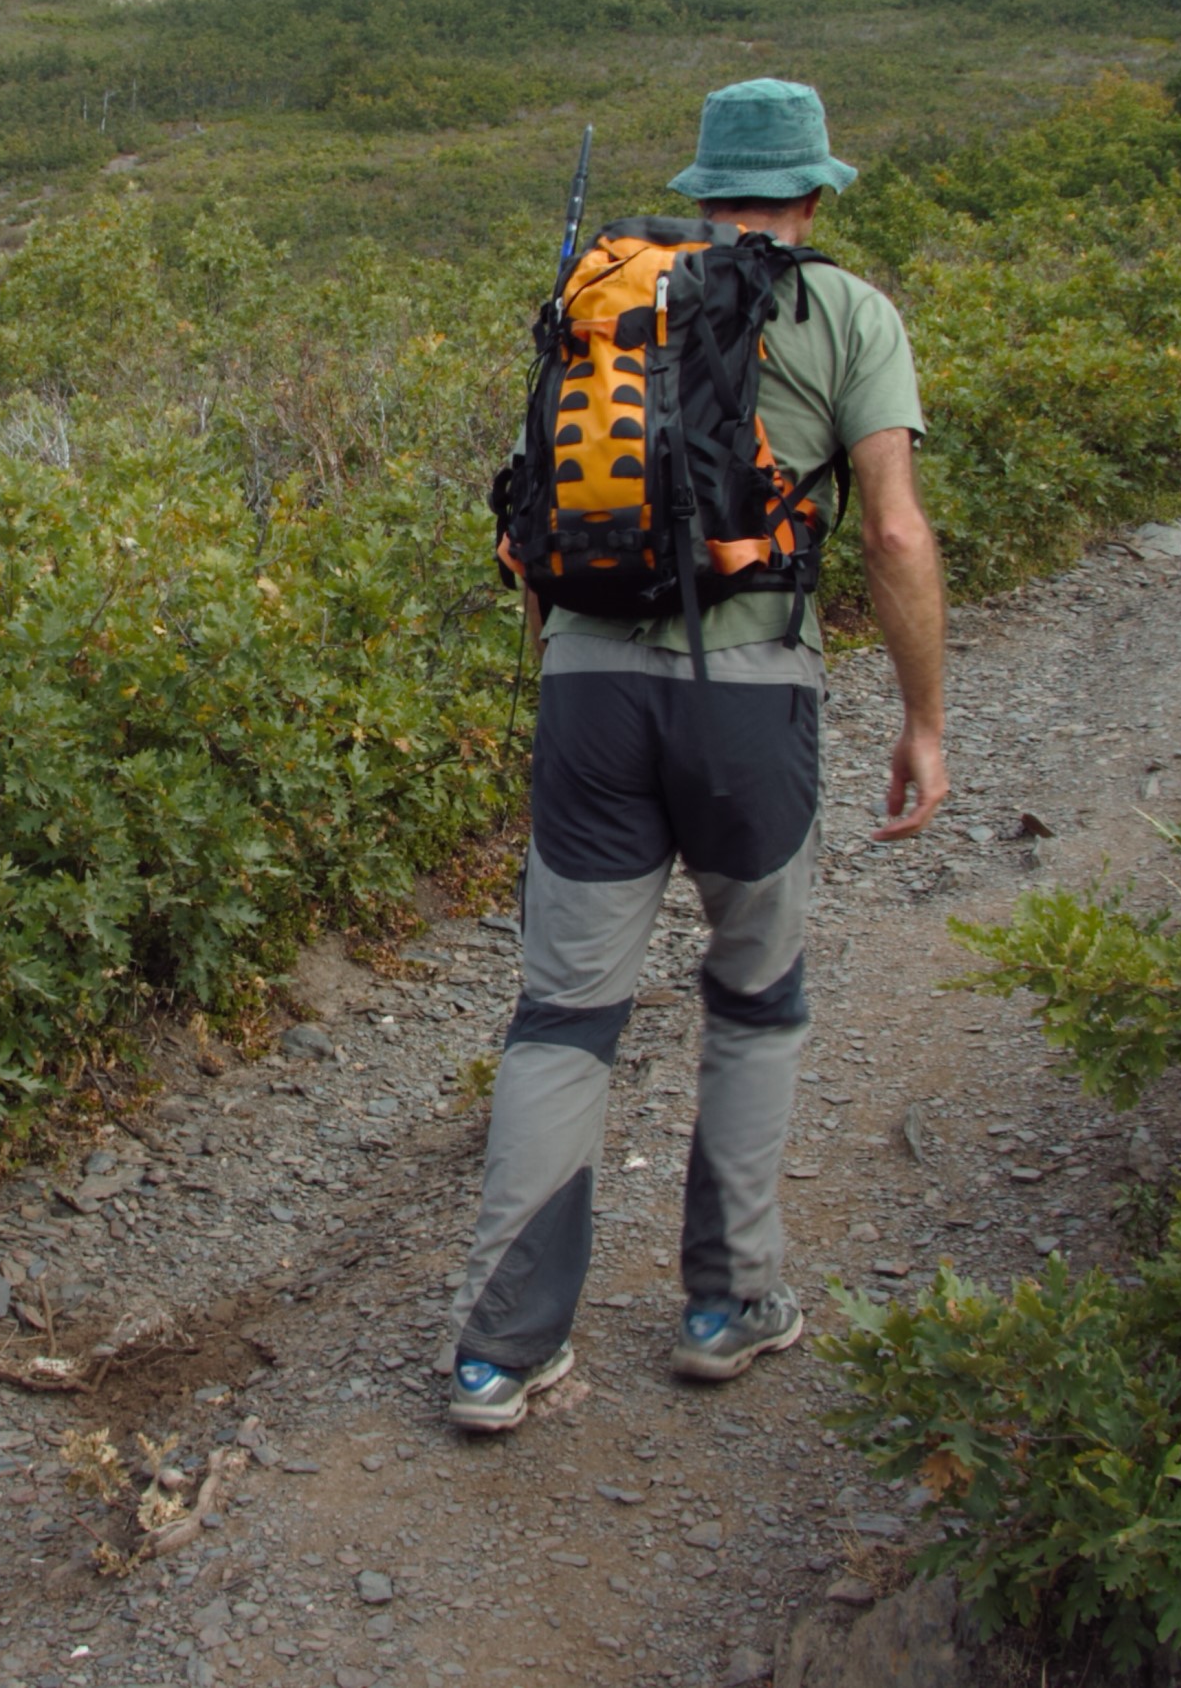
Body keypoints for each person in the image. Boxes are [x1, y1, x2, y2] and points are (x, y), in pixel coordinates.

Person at [446, 77, 951, 1433]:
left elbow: (540, 518)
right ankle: (729, 1306)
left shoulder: (602, 296)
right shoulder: (849, 311)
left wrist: (577, 670)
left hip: (590, 691)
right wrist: (924, 720)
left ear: (708, 178)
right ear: (815, 189)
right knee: (754, 993)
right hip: (753, 697)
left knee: (564, 1015)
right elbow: (896, 535)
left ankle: (500, 1351)